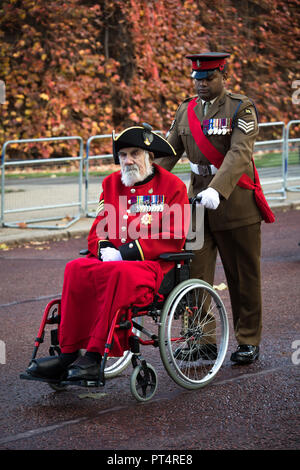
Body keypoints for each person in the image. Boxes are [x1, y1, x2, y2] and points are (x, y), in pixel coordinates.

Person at [25, 124, 190, 383]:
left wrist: (125, 252)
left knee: (115, 271)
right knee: (75, 268)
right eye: (123, 155)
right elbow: (98, 226)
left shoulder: (173, 186)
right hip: (113, 263)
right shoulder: (111, 183)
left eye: (134, 153)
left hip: (151, 266)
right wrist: (103, 247)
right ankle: (68, 353)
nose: (127, 160)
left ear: (149, 155)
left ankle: (93, 356)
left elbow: (174, 236)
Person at [156, 52, 275, 365]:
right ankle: (203, 338)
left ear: (225, 76)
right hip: (197, 205)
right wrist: (141, 182)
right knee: (193, 272)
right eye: (198, 79)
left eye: (209, 79)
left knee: (242, 277)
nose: (202, 85)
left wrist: (216, 190)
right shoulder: (186, 110)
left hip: (234, 204)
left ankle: (248, 339)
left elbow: (239, 154)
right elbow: (167, 154)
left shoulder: (241, 108)